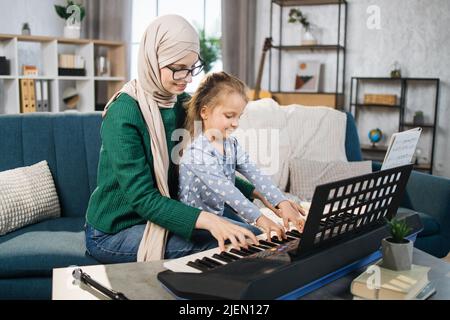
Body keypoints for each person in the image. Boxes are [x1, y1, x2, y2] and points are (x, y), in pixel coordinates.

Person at [84, 15, 259, 264]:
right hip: (114, 231)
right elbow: (144, 199)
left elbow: (203, 168)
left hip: (163, 214)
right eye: (178, 68)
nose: (187, 78)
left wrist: (259, 195)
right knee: (236, 243)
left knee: (255, 234)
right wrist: (210, 221)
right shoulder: (123, 113)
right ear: (152, 60)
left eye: (192, 67)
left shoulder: (182, 103)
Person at [179, 71, 306, 248]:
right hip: (201, 223)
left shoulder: (232, 144)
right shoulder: (196, 153)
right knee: (255, 235)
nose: (236, 123)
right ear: (205, 112)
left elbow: (256, 174)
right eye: (229, 116)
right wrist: (260, 219)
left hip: (221, 212)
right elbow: (228, 191)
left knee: (262, 235)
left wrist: (281, 202)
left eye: (239, 116)